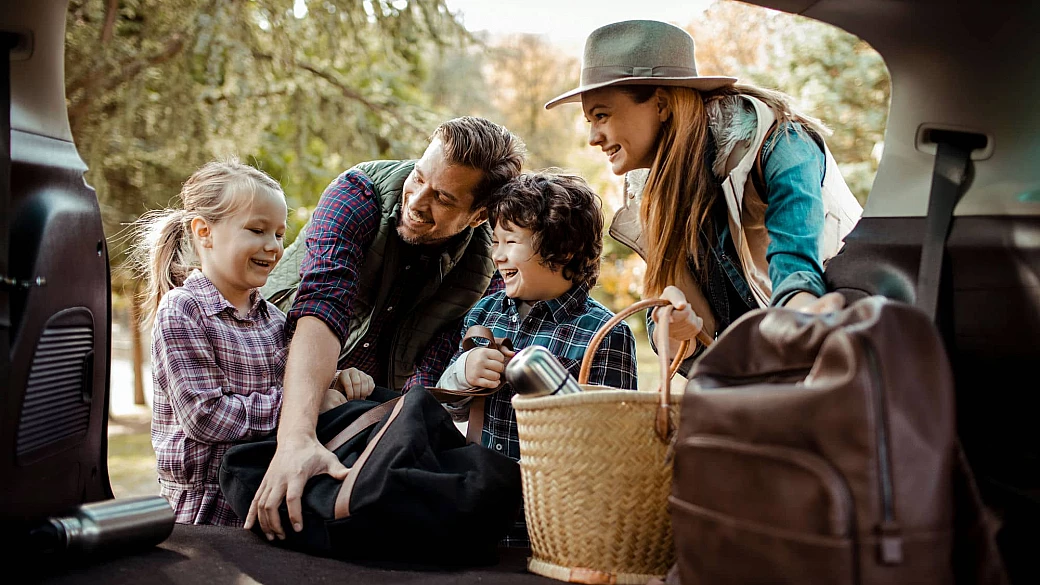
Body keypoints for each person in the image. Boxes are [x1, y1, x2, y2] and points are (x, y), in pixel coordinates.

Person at [244, 117, 526, 540]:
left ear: (477, 215)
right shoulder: (355, 195)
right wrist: (296, 440)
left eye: (443, 198)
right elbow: (322, 309)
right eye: (418, 176)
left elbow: (425, 383)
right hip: (282, 393)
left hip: (362, 414)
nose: (417, 200)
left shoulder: (482, 267)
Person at [545, 20, 862, 368]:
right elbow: (677, 322)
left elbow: (795, 267)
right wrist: (673, 328)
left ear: (661, 105)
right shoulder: (650, 198)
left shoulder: (779, 146)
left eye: (601, 115)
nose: (593, 137)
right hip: (756, 383)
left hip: (843, 353)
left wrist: (805, 309)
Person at [134, 157, 343, 526]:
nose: (273, 247)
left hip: (260, 494)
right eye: (257, 230)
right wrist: (302, 409)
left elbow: (303, 382)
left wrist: (340, 380)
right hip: (202, 512)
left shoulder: (277, 321)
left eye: (279, 234)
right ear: (204, 232)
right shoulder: (183, 311)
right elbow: (205, 416)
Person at [435, 170, 638, 547]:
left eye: (510, 241)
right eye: (495, 241)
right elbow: (454, 410)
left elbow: (614, 448)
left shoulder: (605, 334)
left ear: (563, 249)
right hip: (478, 514)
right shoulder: (485, 314)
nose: (497, 254)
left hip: (554, 529)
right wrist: (462, 374)